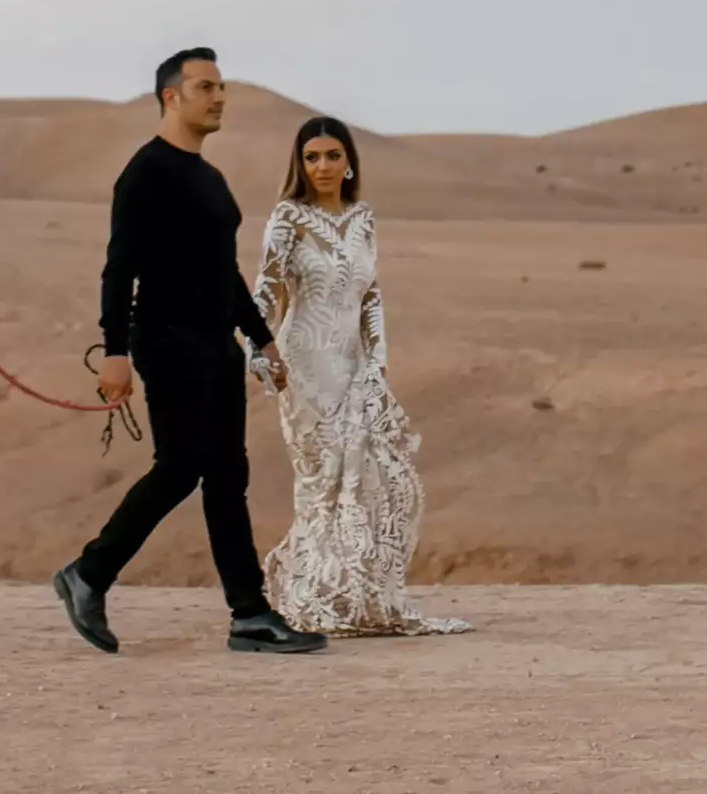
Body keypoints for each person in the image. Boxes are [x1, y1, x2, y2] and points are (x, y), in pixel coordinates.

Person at [53, 49, 326, 655]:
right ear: (171, 97)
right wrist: (115, 351)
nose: (219, 97)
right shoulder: (146, 173)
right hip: (167, 338)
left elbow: (223, 270)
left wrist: (259, 337)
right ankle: (89, 574)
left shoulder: (208, 176)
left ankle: (249, 615)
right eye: (206, 87)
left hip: (215, 342)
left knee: (228, 476)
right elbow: (118, 266)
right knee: (181, 467)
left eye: (222, 86)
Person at [257, 114, 465, 635]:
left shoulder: (362, 218)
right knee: (322, 481)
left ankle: (355, 598)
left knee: (372, 477)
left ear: (349, 163)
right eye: (311, 157)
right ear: (299, 165)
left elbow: (370, 294)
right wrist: (258, 353)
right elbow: (266, 291)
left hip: (353, 365)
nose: (322, 166)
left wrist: (378, 357)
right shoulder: (287, 218)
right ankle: (308, 597)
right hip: (304, 366)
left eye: (332, 156)